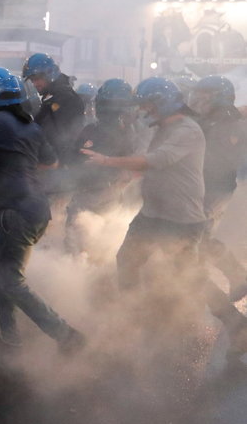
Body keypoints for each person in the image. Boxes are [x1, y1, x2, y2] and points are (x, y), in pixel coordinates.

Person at [82, 77, 247, 349]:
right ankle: (139, 318)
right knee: (127, 260)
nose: (144, 111)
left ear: (164, 103)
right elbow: (156, 164)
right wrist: (131, 176)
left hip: (181, 220)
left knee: (192, 279)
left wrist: (107, 161)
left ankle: (237, 326)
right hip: (152, 215)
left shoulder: (187, 130)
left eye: (148, 105)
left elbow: (157, 160)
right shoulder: (164, 128)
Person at [0, 67, 86, 354]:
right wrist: (10, 160)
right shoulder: (30, 125)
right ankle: (10, 339)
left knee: (10, 280)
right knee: (2, 274)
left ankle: (66, 335)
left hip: (17, 211)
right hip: (36, 208)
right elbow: (50, 163)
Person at [188, 75, 247, 302]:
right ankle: (236, 276)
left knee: (195, 239)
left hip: (215, 189)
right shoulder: (213, 121)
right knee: (200, 237)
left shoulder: (228, 124)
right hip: (206, 188)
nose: (198, 101)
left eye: (204, 96)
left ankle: (205, 292)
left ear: (218, 98)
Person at [64, 79, 138, 257]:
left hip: (91, 193)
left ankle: (77, 275)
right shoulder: (130, 130)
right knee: (102, 242)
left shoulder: (94, 130)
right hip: (114, 192)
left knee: (76, 242)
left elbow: (74, 159)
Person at [21, 53, 85, 167]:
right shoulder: (53, 96)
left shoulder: (64, 98)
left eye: (37, 79)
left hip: (60, 170)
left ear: (49, 74)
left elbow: (56, 138)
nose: (35, 84)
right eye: (32, 80)